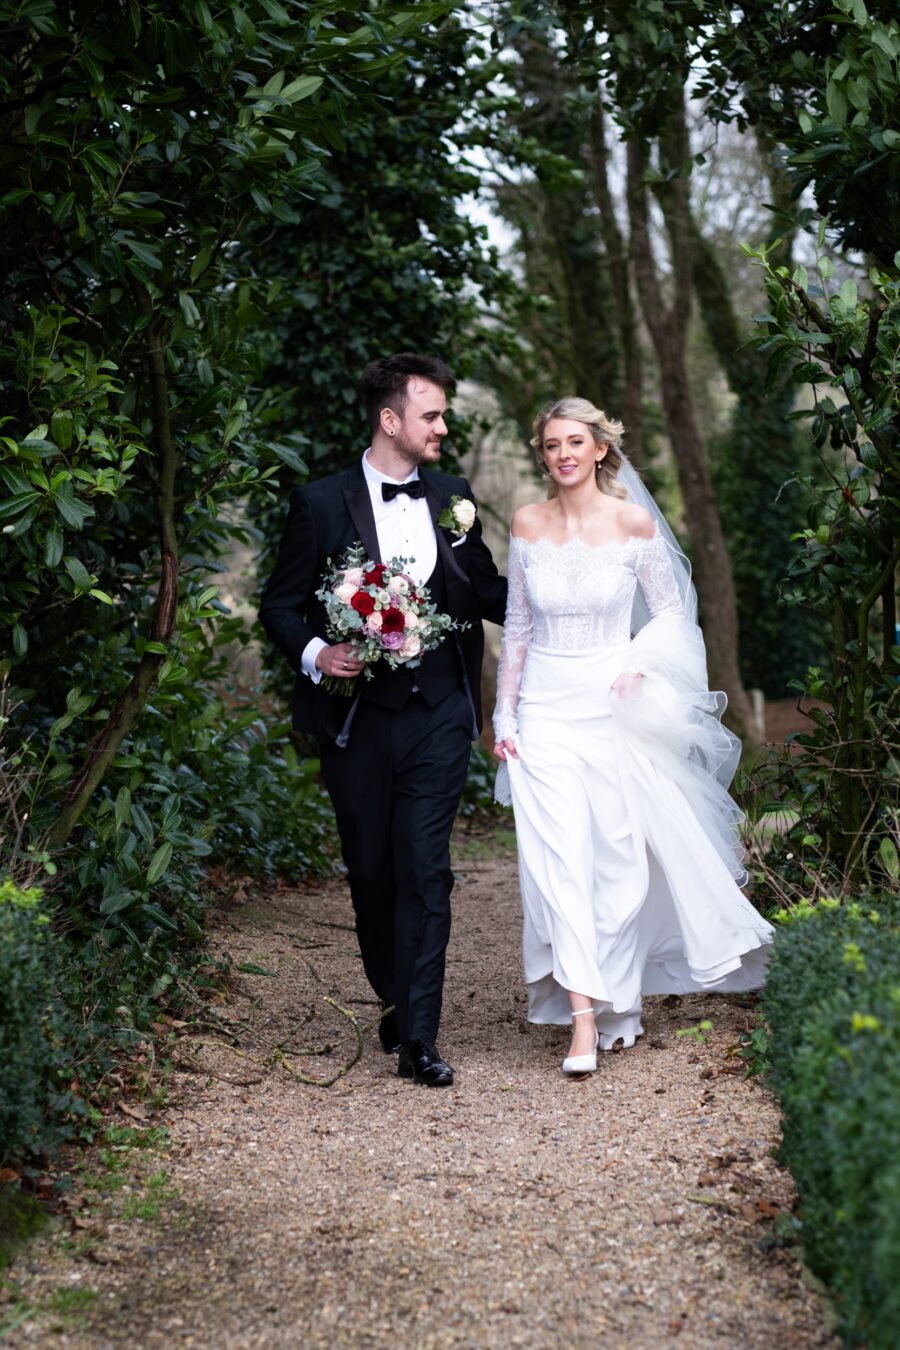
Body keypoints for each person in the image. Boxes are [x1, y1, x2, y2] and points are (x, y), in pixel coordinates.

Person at [493, 396, 773, 1076]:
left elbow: (675, 616)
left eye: (573, 442)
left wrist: (639, 668)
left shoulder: (633, 522)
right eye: (551, 444)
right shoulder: (528, 524)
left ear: (598, 449)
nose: (562, 453)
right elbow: (519, 630)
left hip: (611, 709)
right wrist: (503, 717)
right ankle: (582, 1020)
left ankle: (618, 1001)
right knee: (555, 865)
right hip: (543, 714)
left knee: (616, 865)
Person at [259, 354, 507, 1087]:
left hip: (439, 712)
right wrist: (315, 650)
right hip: (357, 720)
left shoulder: (455, 498)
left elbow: (487, 589)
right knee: (373, 870)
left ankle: (420, 1038)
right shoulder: (322, 503)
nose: (443, 426)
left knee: (428, 870)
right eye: (431, 415)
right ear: (390, 420)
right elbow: (277, 604)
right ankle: (396, 995)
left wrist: (566, 580)